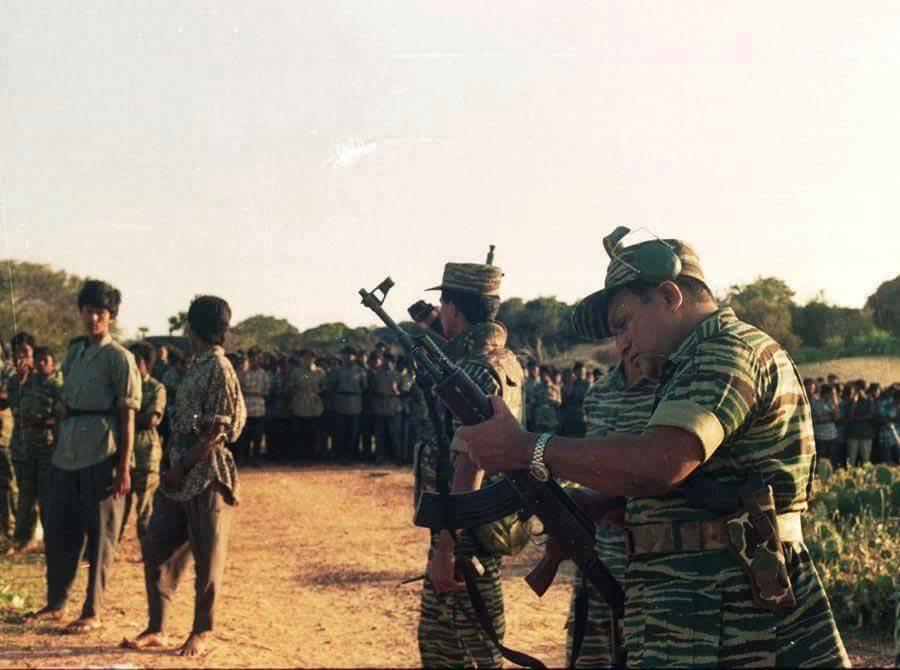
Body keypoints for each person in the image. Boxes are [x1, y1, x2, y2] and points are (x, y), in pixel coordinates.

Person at [456, 228, 849, 667]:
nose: (620, 344)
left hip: (725, 617)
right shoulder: (691, 361)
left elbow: (660, 463)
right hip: (703, 610)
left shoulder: (722, 351)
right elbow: (706, 485)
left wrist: (528, 447)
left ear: (669, 296)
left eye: (624, 323)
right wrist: (610, 504)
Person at [124, 295, 246, 657]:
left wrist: (181, 468)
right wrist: (171, 466)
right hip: (179, 475)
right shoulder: (198, 366)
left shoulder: (219, 368)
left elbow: (216, 432)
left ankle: (201, 631)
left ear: (193, 329)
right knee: (157, 545)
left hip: (206, 474)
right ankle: (157, 627)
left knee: (208, 558)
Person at [417, 261, 525, 668]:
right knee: (470, 644)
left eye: (443, 306)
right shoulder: (504, 361)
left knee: (454, 650)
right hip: (484, 525)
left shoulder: (474, 372)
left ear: (452, 308)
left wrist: (446, 547)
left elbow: (468, 468)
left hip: (463, 533)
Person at [24, 279, 141, 632]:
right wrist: (58, 445)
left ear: (111, 316)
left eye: (101, 312)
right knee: (60, 528)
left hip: (102, 450)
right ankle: (56, 602)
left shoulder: (119, 358)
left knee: (101, 535)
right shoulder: (74, 353)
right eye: (88, 311)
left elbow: (128, 415)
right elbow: (64, 405)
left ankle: (92, 609)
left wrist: (123, 466)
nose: (93, 318)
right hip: (67, 452)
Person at [565, 352, 657, 668]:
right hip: (594, 563)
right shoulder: (599, 391)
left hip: (646, 574)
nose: (622, 336)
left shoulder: (671, 388)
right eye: (616, 328)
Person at [7, 337, 63, 552]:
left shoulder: (57, 386)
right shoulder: (28, 383)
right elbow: (16, 407)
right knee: (26, 494)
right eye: (38, 360)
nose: (40, 364)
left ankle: (51, 540)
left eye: (44, 360)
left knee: (47, 495)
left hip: (48, 445)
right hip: (28, 446)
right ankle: (22, 539)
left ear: (52, 363)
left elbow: (61, 416)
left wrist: (43, 422)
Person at [119, 343, 166, 541]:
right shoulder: (122, 385)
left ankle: (148, 549)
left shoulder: (156, 387)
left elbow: (152, 419)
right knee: (119, 506)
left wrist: (126, 416)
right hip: (124, 453)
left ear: (145, 363)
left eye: (135, 359)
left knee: (145, 509)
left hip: (146, 454)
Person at [325, 346, 367, 464]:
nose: (348, 356)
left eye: (351, 354)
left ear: (355, 356)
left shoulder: (360, 371)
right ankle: (340, 456)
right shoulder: (337, 371)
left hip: (355, 402)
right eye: (345, 354)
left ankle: (351, 456)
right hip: (340, 402)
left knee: (353, 432)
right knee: (340, 432)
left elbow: (365, 387)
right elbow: (331, 386)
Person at [288, 348, 325, 462]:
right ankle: (299, 457)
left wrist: (317, 391)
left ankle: (311, 457)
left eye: (310, 356)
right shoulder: (296, 372)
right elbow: (291, 387)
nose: (308, 359)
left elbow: (323, 387)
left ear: (314, 358)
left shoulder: (320, 372)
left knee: (313, 432)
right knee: (299, 432)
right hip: (300, 402)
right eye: (305, 357)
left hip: (314, 404)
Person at [237, 347, 269, 466]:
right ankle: (244, 458)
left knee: (258, 435)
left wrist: (257, 393)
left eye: (257, 357)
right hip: (246, 408)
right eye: (252, 357)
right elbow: (239, 388)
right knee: (244, 435)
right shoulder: (242, 373)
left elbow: (266, 390)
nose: (255, 360)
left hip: (259, 409)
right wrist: (248, 392)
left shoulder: (263, 374)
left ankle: (256, 458)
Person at [370, 352, 404, 465]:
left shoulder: (398, 375)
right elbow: (372, 390)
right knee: (379, 435)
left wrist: (397, 391)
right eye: (385, 360)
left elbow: (404, 392)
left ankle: (397, 458)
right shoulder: (377, 375)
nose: (386, 362)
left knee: (395, 435)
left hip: (394, 407)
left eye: (388, 360)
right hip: (380, 407)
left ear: (393, 362)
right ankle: (379, 457)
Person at [0, 341, 18, 542]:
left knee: (8, 480)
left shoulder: (9, 371)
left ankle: (12, 527)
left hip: (4, 433)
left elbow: (8, 397)